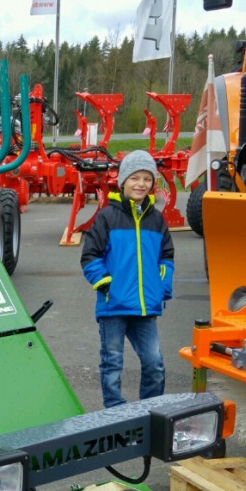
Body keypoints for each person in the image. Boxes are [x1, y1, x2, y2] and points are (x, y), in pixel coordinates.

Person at [81, 150, 174, 408]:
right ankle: (115, 410)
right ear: (122, 181)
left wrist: (162, 286)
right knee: (112, 362)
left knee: (154, 362)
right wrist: (106, 284)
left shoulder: (156, 219)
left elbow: (166, 256)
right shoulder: (107, 217)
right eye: (135, 178)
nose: (141, 184)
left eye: (147, 178)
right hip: (114, 306)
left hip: (146, 307)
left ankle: (151, 409)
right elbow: (90, 256)